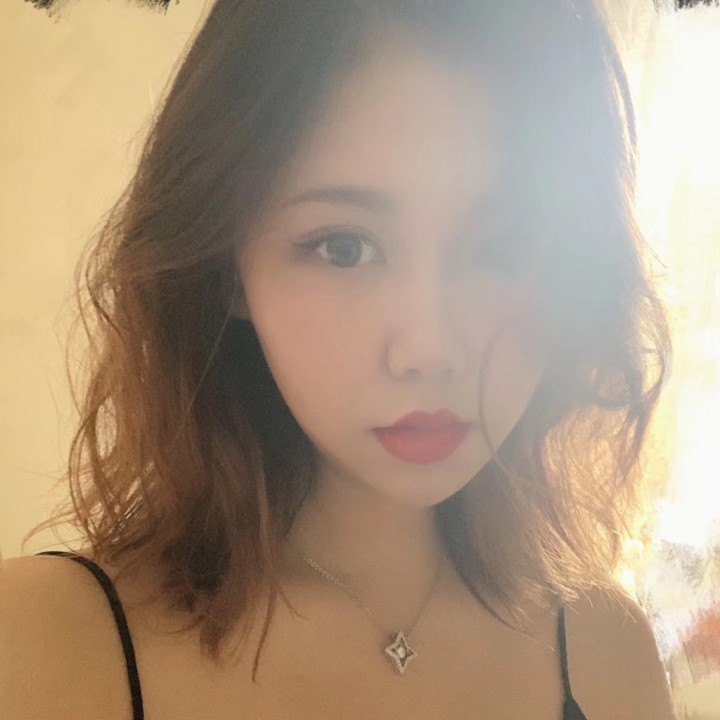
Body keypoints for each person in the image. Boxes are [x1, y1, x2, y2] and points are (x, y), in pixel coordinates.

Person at [0, 1, 678, 718]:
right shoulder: (41, 646)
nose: (429, 351)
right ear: (226, 267)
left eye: (501, 247)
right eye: (344, 247)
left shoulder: (607, 651)